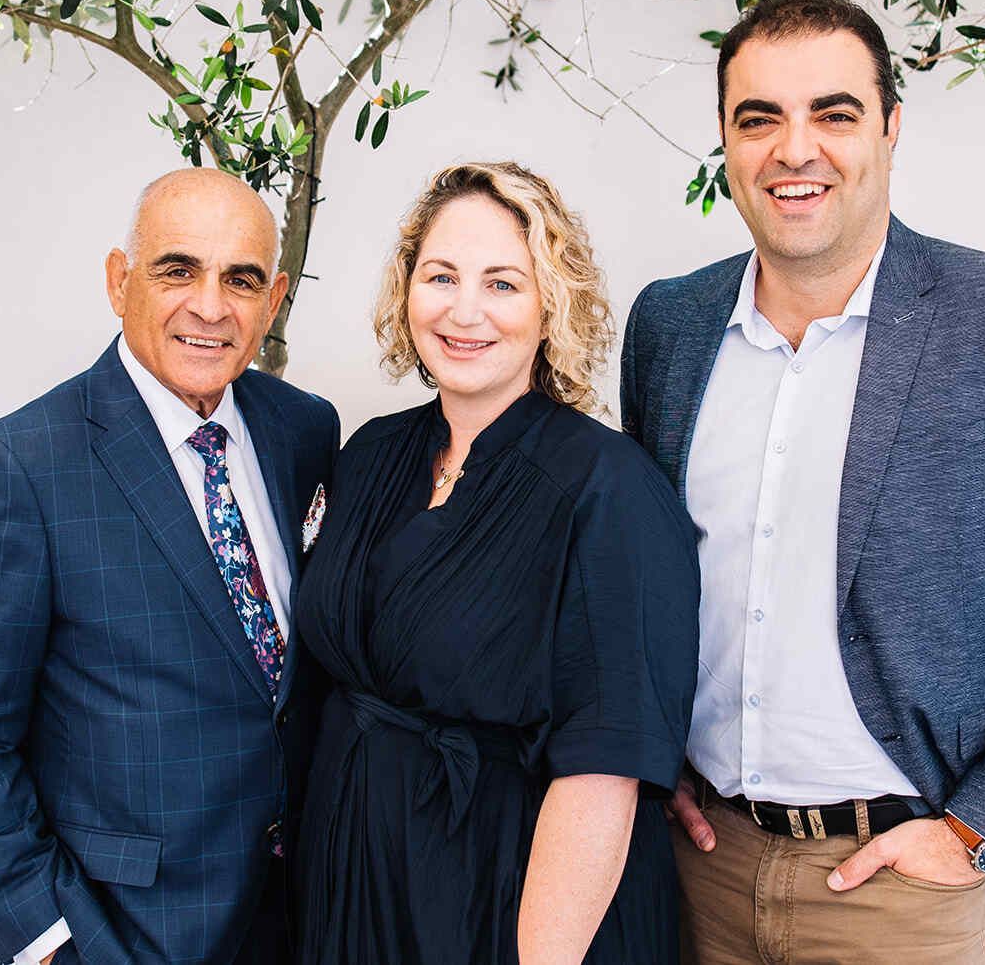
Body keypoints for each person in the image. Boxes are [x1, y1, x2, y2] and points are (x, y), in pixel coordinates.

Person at [620, 0, 985, 963]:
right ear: (724, 140)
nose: (795, 148)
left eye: (832, 113)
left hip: (907, 889)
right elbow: (645, 579)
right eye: (759, 119)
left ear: (889, 127)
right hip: (694, 866)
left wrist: (976, 830)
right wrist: (646, 754)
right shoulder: (668, 325)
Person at [0, 169, 339, 965]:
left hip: (303, 915)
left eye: (240, 280)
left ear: (272, 300)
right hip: (126, 928)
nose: (210, 306)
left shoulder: (303, 431)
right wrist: (46, 940)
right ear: (119, 280)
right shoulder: (18, 467)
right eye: (178, 269)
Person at [292, 162, 699, 965]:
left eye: (504, 283)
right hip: (356, 879)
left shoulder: (608, 488)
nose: (465, 310)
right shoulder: (370, 455)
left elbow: (604, 770)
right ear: (406, 289)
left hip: (511, 897)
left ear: (554, 303)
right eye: (440, 276)